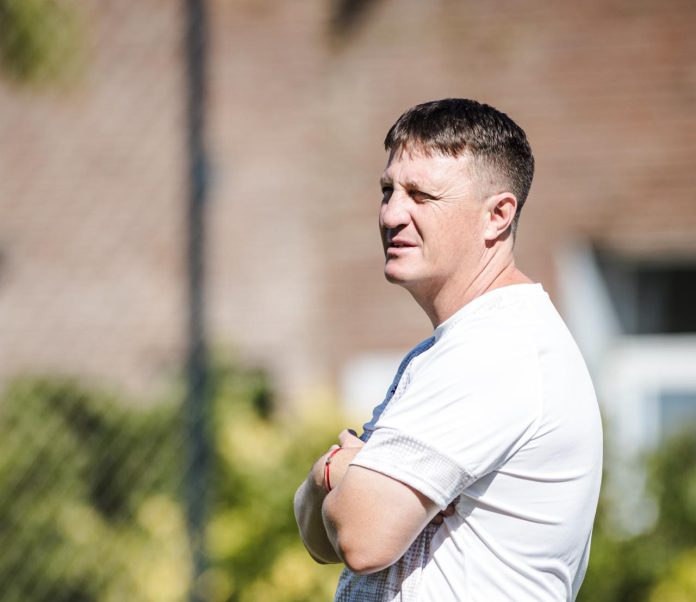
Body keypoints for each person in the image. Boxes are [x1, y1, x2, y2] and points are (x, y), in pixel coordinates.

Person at [294, 98, 603, 601]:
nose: (392, 214)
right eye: (388, 190)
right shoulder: (453, 348)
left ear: (497, 216)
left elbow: (361, 537)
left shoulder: (496, 348)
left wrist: (346, 473)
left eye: (421, 195)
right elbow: (317, 537)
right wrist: (332, 474)